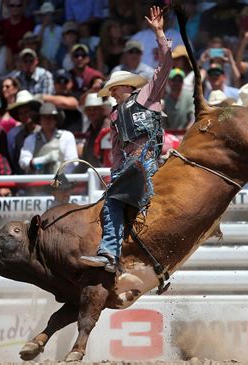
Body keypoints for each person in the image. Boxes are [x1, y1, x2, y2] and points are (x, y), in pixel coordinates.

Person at [82, 6, 172, 271]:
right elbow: (117, 153)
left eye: (113, 88)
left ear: (127, 87)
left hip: (144, 163)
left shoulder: (147, 96)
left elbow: (165, 64)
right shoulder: (114, 115)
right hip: (130, 166)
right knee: (112, 198)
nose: (110, 93)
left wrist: (159, 32)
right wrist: (114, 174)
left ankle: (110, 254)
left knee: (112, 202)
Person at [19, 102, 78, 174]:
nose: (48, 120)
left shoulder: (66, 136)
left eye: (51, 117)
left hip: (60, 182)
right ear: (39, 120)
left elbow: (73, 163)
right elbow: (23, 162)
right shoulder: (31, 139)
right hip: (37, 182)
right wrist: (44, 159)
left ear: (55, 120)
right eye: (44, 117)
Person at [6, 90, 42, 174]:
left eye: (26, 112)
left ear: (34, 111)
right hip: (23, 179)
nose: (24, 116)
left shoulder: (44, 131)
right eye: (21, 113)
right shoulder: (14, 135)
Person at [39, 69, 83, 133]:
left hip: (75, 137)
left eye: (65, 81)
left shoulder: (77, 95)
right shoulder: (49, 99)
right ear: (54, 84)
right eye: (59, 81)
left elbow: (66, 103)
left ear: (71, 83)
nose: (62, 84)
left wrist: (40, 97)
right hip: (54, 137)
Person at [78, 93, 110, 170]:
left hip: (107, 175)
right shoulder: (90, 132)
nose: (91, 112)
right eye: (89, 109)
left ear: (102, 111)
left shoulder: (109, 129)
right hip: (95, 176)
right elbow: (84, 161)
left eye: (95, 109)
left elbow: (109, 159)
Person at [33, 2, 62, 68]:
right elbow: (36, 44)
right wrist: (43, 27)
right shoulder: (37, 28)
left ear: (53, 15)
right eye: (45, 15)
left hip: (57, 61)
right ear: (42, 16)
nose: (47, 17)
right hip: (42, 61)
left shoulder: (60, 29)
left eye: (49, 14)